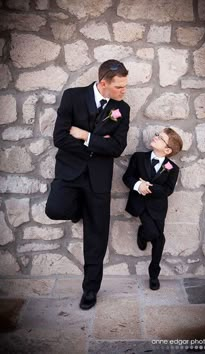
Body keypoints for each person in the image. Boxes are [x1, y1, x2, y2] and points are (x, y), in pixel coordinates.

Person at [45, 59, 130, 310]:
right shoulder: (72, 97)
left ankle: (90, 289)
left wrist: (85, 136)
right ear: (103, 83)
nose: (124, 91)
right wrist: (96, 146)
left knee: (96, 236)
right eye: (119, 87)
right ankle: (77, 210)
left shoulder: (122, 109)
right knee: (55, 209)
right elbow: (59, 138)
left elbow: (116, 147)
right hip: (70, 172)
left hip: (98, 180)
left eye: (125, 86)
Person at [123, 128, 183, 290]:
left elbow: (168, 190)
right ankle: (144, 234)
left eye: (160, 138)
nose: (155, 137)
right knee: (157, 236)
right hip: (140, 205)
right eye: (157, 134)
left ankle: (153, 274)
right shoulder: (139, 157)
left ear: (167, 150)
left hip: (158, 208)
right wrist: (138, 185)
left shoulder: (173, 168)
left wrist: (149, 186)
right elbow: (127, 177)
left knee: (157, 239)